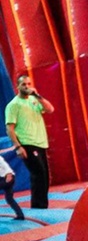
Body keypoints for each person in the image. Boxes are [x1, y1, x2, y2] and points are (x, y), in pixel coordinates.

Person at [4, 74, 55, 209]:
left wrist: (38, 96)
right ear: (18, 87)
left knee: (44, 176)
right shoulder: (13, 105)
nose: (27, 87)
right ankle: (38, 206)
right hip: (27, 143)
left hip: (40, 142)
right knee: (38, 174)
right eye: (23, 84)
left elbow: (50, 109)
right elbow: (10, 128)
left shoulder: (34, 101)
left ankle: (42, 205)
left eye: (28, 84)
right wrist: (18, 147)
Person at [0, 153, 25, 220]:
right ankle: (20, 215)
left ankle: (20, 215)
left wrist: (9, 173)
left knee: (9, 198)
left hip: (6, 178)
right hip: (8, 178)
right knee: (9, 199)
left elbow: (5, 165)